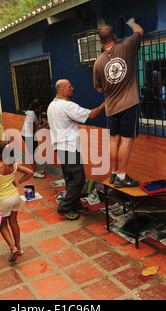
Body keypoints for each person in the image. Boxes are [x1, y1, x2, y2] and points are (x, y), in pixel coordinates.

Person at [93, 19, 144, 188]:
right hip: (128, 104)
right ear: (115, 36)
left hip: (111, 107)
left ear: (101, 41)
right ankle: (122, 176)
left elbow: (99, 90)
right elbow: (140, 31)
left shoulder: (98, 62)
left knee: (114, 140)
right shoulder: (126, 47)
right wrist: (132, 23)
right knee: (127, 140)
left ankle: (114, 173)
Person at [47, 79, 105, 220]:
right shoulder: (67, 106)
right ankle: (65, 207)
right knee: (78, 179)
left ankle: (75, 204)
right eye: (69, 86)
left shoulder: (52, 105)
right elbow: (91, 115)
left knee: (70, 178)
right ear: (62, 91)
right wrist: (105, 104)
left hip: (60, 147)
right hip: (69, 148)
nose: (73, 88)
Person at [0, 141, 33, 262]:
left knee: (3, 225)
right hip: (15, 197)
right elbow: (30, 172)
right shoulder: (13, 165)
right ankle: (19, 247)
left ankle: (13, 247)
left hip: (3, 200)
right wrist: (19, 181)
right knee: (14, 222)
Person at [21, 99, 48, 178]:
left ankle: (37, 169)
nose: (41, 110)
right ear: (35, 108)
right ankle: (35, 172)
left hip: (32, 134)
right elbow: (33, 129)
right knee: (31, 153)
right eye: (39, 108)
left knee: (35, 151)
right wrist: (43, 126)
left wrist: (45, 125)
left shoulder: (37, 113)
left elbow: (39, 124)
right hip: (27, 135)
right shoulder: (30, 116)